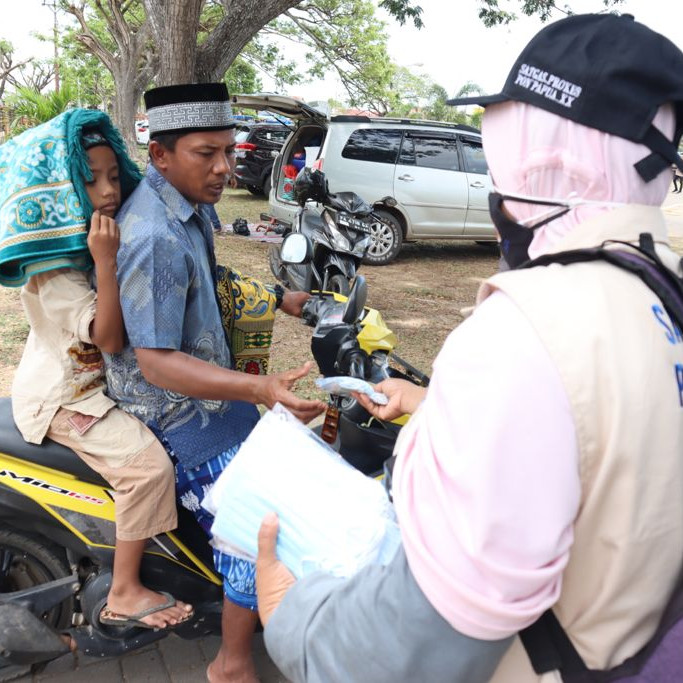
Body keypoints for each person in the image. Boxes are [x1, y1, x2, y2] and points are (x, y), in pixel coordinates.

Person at [255, 13, 683, 682]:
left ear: (543, 155)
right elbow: (609, 432)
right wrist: (436, 403)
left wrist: (294, 619)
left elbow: (417, 643)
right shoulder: (660, 290)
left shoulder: (526, 328)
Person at [102, 83, 325, 683]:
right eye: (208, 153)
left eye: (229, 150)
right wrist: (258, 389)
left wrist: (285, 299)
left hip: (209, 393)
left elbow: (209, 271)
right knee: (261, 528)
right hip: (173, 411)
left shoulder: (188, 204)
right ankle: (230, 663)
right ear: (161, 155)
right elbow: (154, 363)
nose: (225, 166)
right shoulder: (152, 235)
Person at [9, 113, 192, 630]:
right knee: (146, 469)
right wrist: (106, 261)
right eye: (90, 180)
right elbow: (109, 337)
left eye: (114, 175)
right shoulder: (56, 270)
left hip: (96, 386)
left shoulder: (94, 237)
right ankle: (125, 590)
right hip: (66, 399)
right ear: (65, 187)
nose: (108, 191)